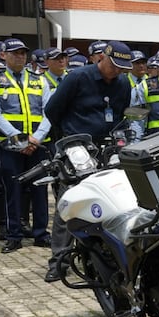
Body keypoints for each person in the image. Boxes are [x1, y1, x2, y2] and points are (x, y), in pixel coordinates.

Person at [41, 40, 135, 281]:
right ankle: (58, 261)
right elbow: (52, 110)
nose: (117, 72)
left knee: (111, 198)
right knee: (69, 202)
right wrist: (70, 137)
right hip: (77, 149)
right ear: (101, 58)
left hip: (106, 147)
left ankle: (103, 255)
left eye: (122, 69)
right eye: (114, 66)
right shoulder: (77, 78)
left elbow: (121, 112)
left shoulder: (123, 83)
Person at [0, 38, 53, 252]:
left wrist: (36, 138)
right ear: (3, 55)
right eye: (15, 53)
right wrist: (21, 139)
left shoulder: (39, 80)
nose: (20, 56)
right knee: (11, 190)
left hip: (37, 145)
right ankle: (14, 235)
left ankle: (41, 233)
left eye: (23, 53)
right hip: (12, 146)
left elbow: (48, 112)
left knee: (40, 189)